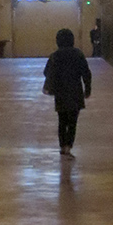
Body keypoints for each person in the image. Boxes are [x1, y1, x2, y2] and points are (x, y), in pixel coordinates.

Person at [43, 28, 91, 159]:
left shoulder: (55, 55)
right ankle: (69, 146)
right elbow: (86, 73)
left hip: (61, 92)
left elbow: (46, 72)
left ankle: (62, 146)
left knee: (62, 120)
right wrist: (87, 89)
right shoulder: (78, 54)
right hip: (75, 92)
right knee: (72, 122)